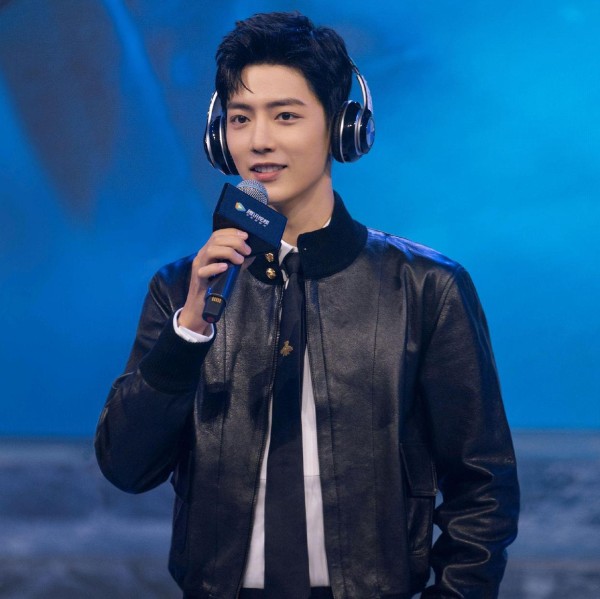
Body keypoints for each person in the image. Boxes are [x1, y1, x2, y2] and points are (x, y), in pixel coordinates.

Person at [95, 11, 519, 599]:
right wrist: (188, 332)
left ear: (343, 127)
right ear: (219, 136)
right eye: (240, 118)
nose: (259, 140)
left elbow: (483, 488)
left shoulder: (425, 288)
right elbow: (126, 467)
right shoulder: (181, 290)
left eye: (286, 115)